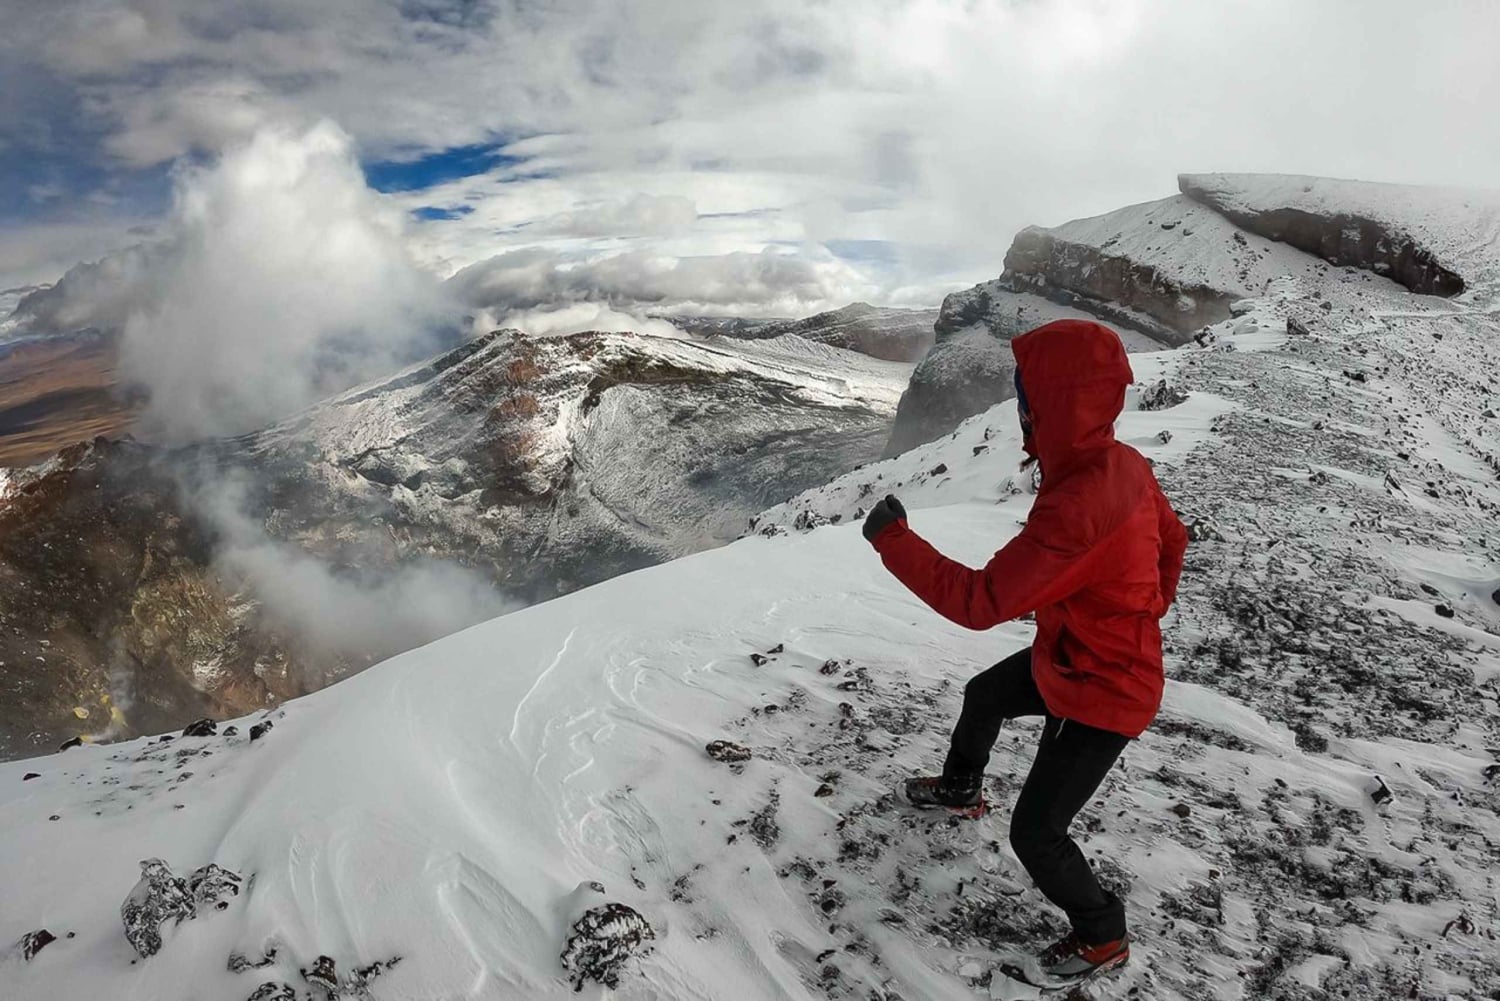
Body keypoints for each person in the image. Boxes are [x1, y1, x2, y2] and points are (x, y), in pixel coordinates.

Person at [861, 318, 1187, 985]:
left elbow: (980, 602)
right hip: (1076, 656)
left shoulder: (1078, 502)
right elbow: (1174, 541)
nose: (1020, 412)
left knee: (1036, 834)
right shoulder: (1119, 462)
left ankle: (1103, 934)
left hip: (1103, 693)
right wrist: (1139, 610)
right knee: (984, 695)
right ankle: (960, 789)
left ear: (1052, 405)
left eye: (1027, 399)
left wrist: (894, 539)